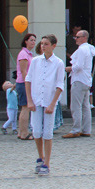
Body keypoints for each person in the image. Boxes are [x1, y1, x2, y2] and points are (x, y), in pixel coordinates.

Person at [25, 34, 65, 177]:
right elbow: (28, 80)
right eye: (42, 44)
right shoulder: (35, 61)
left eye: (46, 44)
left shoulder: (58, 63)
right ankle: (40, 156)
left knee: (47, 133)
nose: (43, 46)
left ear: (53, 46)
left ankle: (47, 162)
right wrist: (29, 100)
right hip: (36, 101)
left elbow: (60, 85)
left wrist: (53, 103)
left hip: (49, 101)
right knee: (36, 131)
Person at [64, 29, 95, 139]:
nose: (75, 39)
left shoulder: (82, 50)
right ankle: (86, 129)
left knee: (76, 106)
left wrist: (68, 69)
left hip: (79, 80)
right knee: (86, 106)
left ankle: (76, 129)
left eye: (77, 37)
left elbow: (79, 66)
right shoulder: (89, 49)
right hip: (86, 80)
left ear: (84, 38)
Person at [16, 34, 36, 140]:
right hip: (23, 83)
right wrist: (28, 84)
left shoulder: (29, 54)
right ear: (26, 41)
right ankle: (24, 133)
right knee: (25, 108)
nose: (33, 42)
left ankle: (21, 131)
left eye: (34, 40)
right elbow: (24, 72)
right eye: (31, 40)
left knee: (25, 108)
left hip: (25, 83)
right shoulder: (23, 54)